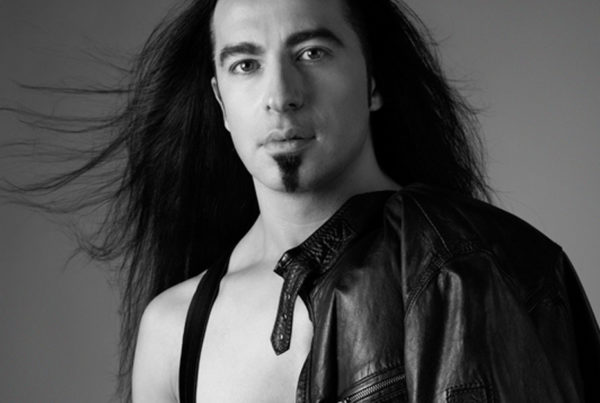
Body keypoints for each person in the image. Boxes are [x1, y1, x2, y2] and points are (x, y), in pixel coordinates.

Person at [4, 0, 599, 402]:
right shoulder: (174, 328)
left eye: (312, 52)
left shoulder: (473, 266)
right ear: (220, 100)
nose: (281, 95)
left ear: (372, 80)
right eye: (245, 64)